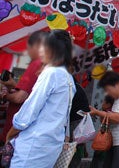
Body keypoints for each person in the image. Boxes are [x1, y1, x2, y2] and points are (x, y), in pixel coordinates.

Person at [6, 30, 75, 168]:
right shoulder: (68, 78)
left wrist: (12, 132)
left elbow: (31, 108)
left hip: (35, 144)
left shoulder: (51, 73)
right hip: (51, 145)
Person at [0, 31, 47, 142]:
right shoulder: (51, 64)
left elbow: (19, 98)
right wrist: (12, 85)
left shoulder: (36, 64)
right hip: (35, 130)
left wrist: (4, 96)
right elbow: (30, 92)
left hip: (20, 131)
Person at [69, 76, 91, 168]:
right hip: (81, 122)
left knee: (72, 147)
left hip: (75, 122)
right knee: (78, 145)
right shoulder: (79, 88)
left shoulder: (72, 89)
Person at [90, 95, 115, 168]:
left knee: (99, 162)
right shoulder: (112, 113)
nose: (102, 103)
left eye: (104, 102)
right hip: (108, 143)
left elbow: (102, 121)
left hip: (103, 142)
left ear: (109, 104)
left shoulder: (108, 114)